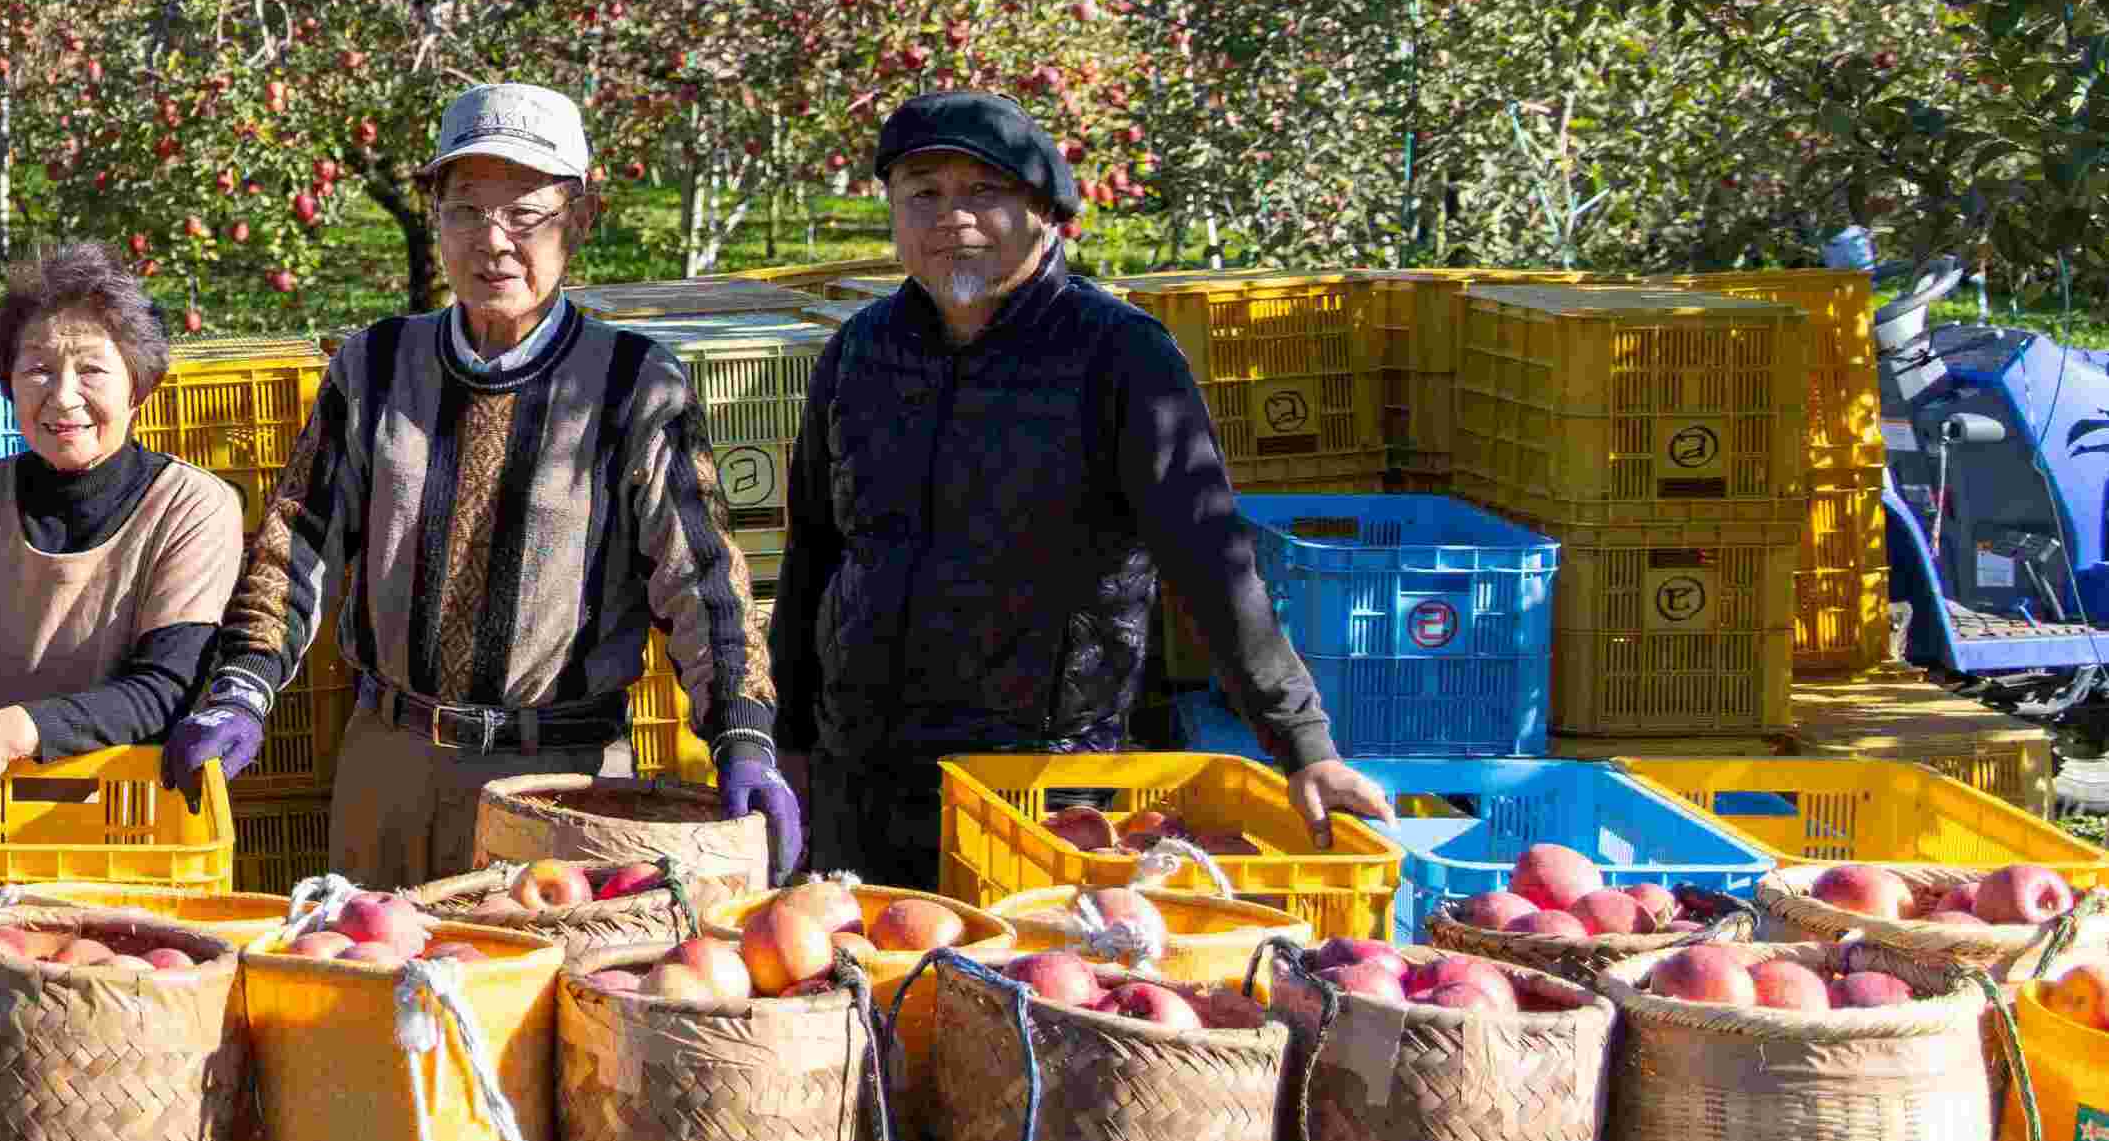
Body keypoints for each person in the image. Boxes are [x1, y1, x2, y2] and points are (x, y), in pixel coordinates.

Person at [765, 89, 1387, 894]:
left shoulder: (1118, 356)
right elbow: (815, 550)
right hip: (866, 773)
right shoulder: (860, 354)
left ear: (1046, 211)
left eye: (984, 192)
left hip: (1036, 790)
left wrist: (1305, 744)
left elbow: (1210, 557)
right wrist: (789, 739)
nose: (953, 217)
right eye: (924, 194)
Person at [168, 82, 791, 884]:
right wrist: (239, 691)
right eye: (465, 210)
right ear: (436, 221)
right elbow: (297, 541)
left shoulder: (634, 385)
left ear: (581, 220)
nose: (493, 240)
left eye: (526, 213)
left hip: (563, 784)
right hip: (392, 763)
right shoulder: (377, 366)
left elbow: (701, 580)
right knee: (367, 979)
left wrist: (744, 735)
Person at [0, 240, 248, 810]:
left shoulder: (193, 507)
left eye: (92, 369)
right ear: (9, 381)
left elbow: (165, 688)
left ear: (139, 385)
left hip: (129, 814)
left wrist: (14, 730)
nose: (63, 396)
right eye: (39, 370)